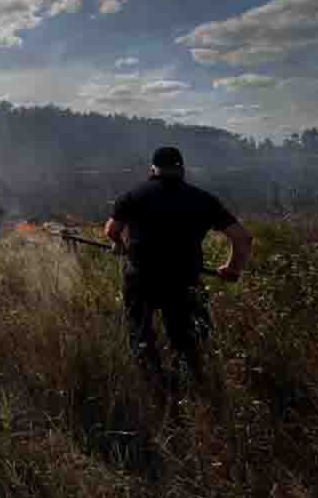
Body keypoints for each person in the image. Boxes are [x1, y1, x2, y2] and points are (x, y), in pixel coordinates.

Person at [104, 146, 252, 394]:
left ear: (153, 169)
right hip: (184, 280)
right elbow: (242, 238)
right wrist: (233, 269)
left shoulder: (133, 196)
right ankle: (192, 392)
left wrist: (118, 244)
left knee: (140, 334)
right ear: (182, 169)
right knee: (188, 342)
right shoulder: (203, 199)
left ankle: (153, 388)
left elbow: (111, 229)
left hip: (141, 278)